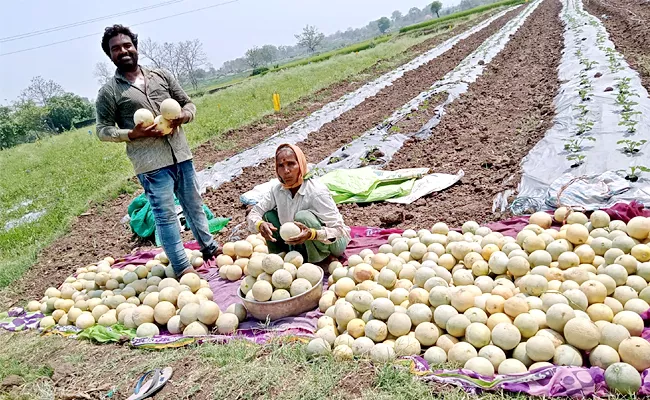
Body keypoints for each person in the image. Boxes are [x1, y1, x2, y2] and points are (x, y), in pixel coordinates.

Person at [95, 25, 219, 277]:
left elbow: (188, 103)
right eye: (116, 48)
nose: (123, 51)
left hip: (180, 154)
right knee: (165, 215)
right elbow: (102, 130)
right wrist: (132, 133)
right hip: (150, 164)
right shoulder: (109, 92)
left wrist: (183, 116)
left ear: (136, 47)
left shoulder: (161, 76)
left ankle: (209, 248)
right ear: (110, 55)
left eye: (127, 45)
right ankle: (182, 266)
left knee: (194, 205)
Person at [247, 144, 350, 263]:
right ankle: (279, 257)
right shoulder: (276, 191)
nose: (286, 171)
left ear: (300, 165)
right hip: (299, 241)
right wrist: (260, 224)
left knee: (302, 217)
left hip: (332, 242)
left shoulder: (316, 191)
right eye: (281, 165)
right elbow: (254, 213)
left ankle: (322, 259)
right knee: (268, 215)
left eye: (291, 164)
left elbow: (340, 230)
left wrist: (312, 234)